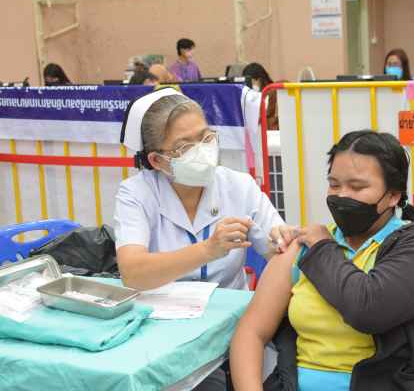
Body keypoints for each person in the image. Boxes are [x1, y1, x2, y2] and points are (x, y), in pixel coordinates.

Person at [230, 130, 414, 391]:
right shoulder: (303, 246)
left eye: (357, 187)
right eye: (335, 185)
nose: (342, 196)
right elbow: (251, 332)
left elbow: (368, 310)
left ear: (393, 195)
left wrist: (322, 247)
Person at [115, 87, 297, 292]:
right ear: (157, 160)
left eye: (206, 138)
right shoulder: (136, 193)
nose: (202, 150)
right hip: (161, 309)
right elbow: (133, 274)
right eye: (184, 147)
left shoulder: (240, 186)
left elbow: (282, 257)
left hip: (231, 308)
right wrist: (208, 250)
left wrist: (282, 242)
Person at [242, 62, 279, 130]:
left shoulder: (272, 92)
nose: (248, 86)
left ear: (259, 79)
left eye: (250, 82)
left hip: (270, 131)